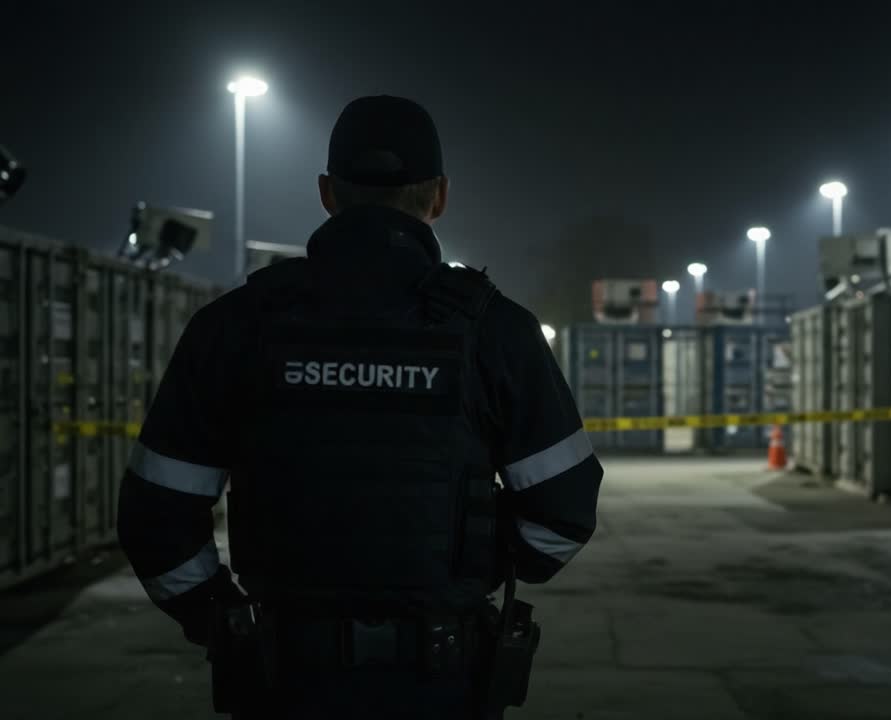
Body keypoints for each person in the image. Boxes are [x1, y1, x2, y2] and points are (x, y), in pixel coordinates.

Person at [117, 95, 603, 719]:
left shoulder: (237, 324)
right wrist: (465, 560)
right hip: (442, 683)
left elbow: (155, 516)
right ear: (439, 197)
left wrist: (220, 620)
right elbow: (563, 512)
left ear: (327, 192)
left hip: (285, 683)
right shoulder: (494, 330)